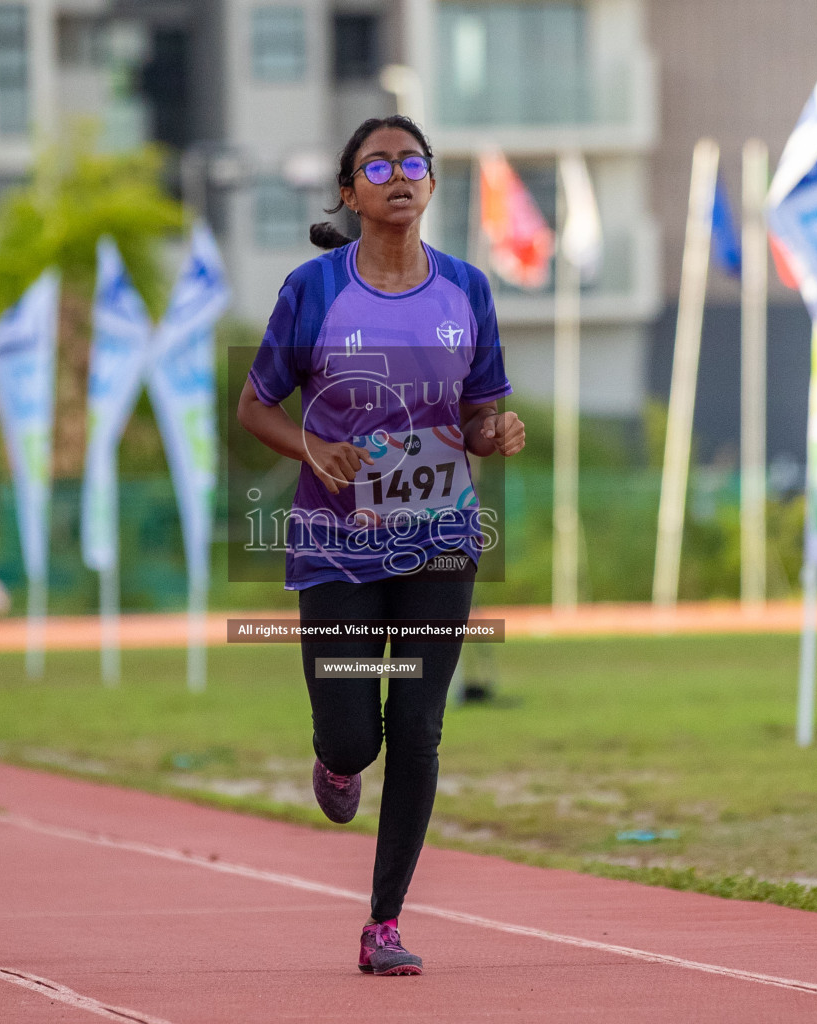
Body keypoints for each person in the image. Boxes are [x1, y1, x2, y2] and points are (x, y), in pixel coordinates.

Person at [236, 115, 526, 976]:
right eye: (379, 164)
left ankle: (383, 924)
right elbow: (255, 406)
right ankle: (335, 762)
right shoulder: (315, 290)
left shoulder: (467, 289)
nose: (399, 175)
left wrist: (493, 429)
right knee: (357, 733)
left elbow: (476, 413)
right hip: (336, 542)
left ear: (432, 184)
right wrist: (311, 448)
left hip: (442, 534)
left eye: (413, 162)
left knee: (420, 727)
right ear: (350, 191)